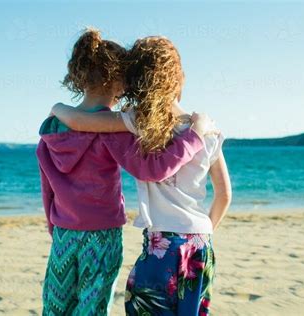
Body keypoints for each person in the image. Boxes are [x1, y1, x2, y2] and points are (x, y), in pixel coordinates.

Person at [37, 30, 215, 316]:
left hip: (63, 232)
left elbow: (48, 187)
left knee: (57, 303)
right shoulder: (114, 130)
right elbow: (153, 169)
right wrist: (193, 137)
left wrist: (53, 224)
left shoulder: (51, 128)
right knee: (91, 306)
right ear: (118, 81)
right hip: (102, 233)